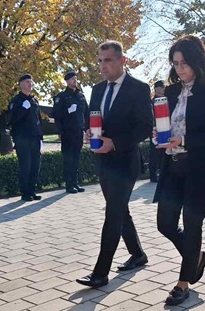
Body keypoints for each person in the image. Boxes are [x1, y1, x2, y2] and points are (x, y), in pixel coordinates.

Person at [153, 35, 205, 305]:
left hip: (200, 168)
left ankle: (183, 283)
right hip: (173, 167)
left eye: (184, 62)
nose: (179, 69)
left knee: (192, 224)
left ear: (196, 60)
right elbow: (167, 124)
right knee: (165, 224)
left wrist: (184, 140)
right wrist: (159, 134)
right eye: (175, 64)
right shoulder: (171, 92)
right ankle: (197, 257)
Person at [76, 41, 153, 288]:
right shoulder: (97, 90)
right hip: (103, 160)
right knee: (119, 209)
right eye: (99, 60)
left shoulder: (138, 89)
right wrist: (90, 133)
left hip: (125, 160)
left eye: (107, 60)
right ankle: (138, 254)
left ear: (122, 61)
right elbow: (94, 119)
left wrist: (116, 143)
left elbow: (143, 127)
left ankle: (100, 272)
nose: (102, 66)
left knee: (113, 214)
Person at [52, 71, 89, 193]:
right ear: (67, 81)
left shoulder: (80, 96)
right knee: (68, 159)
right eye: (72, 79)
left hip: (79, 131)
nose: (75, 81)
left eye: (75, 78)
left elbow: (86, 113)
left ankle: (75, 183)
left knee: (76, 159)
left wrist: (87, 128)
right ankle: (69, 185)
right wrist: (67, 111)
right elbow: (56, 115)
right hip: (67, 132)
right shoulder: (61, 97)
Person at [9, 74, 43, 201]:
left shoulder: (34, 100)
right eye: (27, 82)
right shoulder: (16, 101)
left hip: (34, 137)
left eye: (31, 82)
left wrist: (41, 136)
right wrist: (23, 108)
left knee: (35, 165)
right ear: (21, 84)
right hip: (22, 138)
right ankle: (25, 193)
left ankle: (32, 190)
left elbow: (38, 119)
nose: (30, 84)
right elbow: (13, 119)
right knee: (25, 166)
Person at [148, 80, 167, 183]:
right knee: (154, 153)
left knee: (164, 152)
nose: (163, 89)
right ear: (156, 89)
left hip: (165, 128)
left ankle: (163, 172)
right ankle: (153, 175)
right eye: (161, 87)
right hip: (155, 130)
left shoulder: (167, 100)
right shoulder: (151, 102)